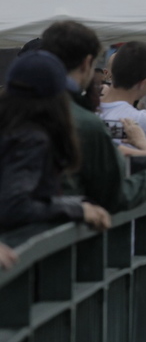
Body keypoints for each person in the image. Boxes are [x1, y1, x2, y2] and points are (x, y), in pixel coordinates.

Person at [40, 22, 146, 212]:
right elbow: (114, 195)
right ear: (87, 63)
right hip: (63, 230)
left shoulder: (15, 106)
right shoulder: (84, 121)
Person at [0, 50, 111, 231]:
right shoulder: (31, 139)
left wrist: (78, 204)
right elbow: (14, 207)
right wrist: (77, 209)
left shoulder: (12, 128)